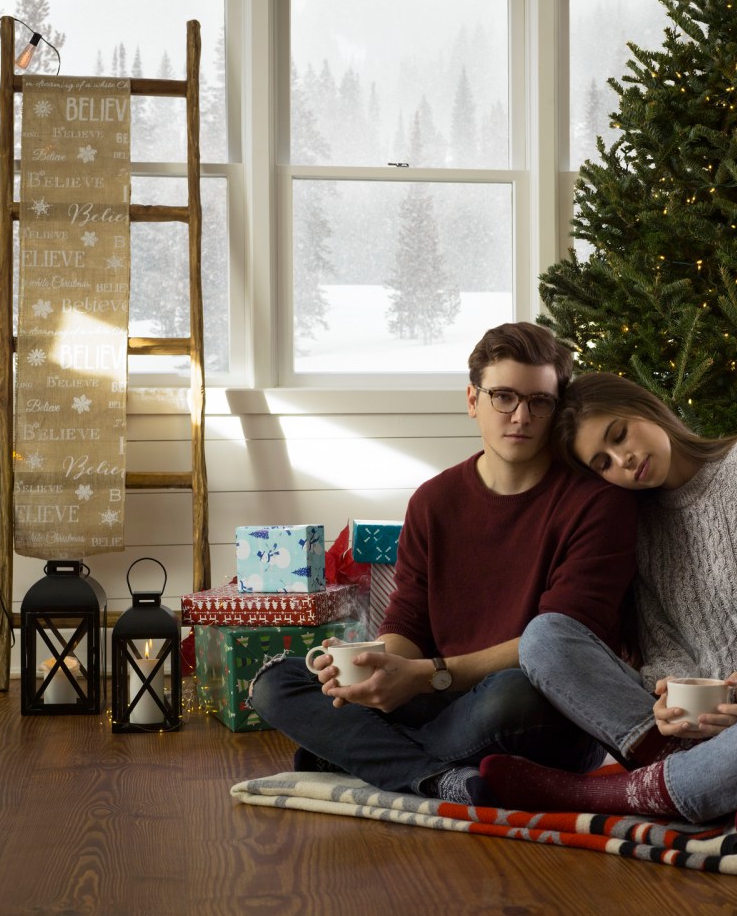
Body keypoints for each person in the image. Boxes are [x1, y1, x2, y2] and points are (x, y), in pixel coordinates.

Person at [479, 372, 737, 843]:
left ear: (645, 407)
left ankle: (596, 795)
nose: (623, 460)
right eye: (603, 463)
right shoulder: (641, 526)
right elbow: (663, 646)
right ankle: (733, 790)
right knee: (544, 638)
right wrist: (666, 693)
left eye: (619, 434)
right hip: (691, 738)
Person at [249, 325, 638, 806]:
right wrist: (375, 665)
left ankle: (360, 755)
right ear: (473, 400)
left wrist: (427, 675)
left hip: (540, 711)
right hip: (443, 700)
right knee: (275, 683)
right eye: (503, 397)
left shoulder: (597, 504)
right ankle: (432, 776)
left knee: (513, 695)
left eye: (540, 402)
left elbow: (565, 642)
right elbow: (408, 622)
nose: (521, 416)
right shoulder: (434, 501)